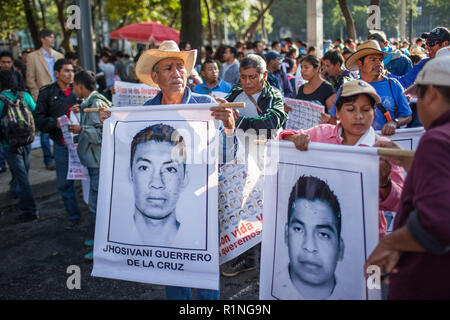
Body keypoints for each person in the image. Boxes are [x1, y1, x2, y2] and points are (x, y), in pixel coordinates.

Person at [131, 40, 236, 300]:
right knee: (172, 267)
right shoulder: (146, 112)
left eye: (180, 67)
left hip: (203, 199)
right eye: (168, 68)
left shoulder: (207, 104)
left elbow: (226, 155)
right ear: (155, 77)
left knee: (204, 269)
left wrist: (230, 129)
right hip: (164, 204)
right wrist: (109, 124)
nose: (176, 73)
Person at [365, 55, 450, 299]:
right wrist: (406, 159)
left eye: (418, 98)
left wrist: (391, 243)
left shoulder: (436, 139)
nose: (416, 107)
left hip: (428, 281)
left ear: (432, 93)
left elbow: (437, 222)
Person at [280, 80, 405, 239]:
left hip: (367, 237)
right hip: (321, 235)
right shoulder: (321, 134)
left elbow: (399, 202)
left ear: (374, 114)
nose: (359, 116)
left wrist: (384, 182)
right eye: (351, 109)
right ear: (337, 112)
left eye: (366, 110)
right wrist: (292, 138)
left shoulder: (383, 149)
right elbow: (280, 140)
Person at [273, 175, 344, 300]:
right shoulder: (270, 285)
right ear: (286, 234)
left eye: (323, 234)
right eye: (298, 229)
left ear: (340, 248)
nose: (309, 247)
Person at [326, 40, 412, 136]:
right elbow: (334, 118)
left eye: (380, 60)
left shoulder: (393, 85)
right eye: (373, 59)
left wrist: (395, 122)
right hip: (357, 146)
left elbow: (407, 116)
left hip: (387, 144)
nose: (378, 64)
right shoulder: (347, 88)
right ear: (360, 64)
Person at [69, 70, 112, 259]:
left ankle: (100, 247)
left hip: (97, 162)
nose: (73, 90)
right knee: (96, 202)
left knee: (97, 205)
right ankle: (97, 240)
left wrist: (82, 129)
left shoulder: (96, 104)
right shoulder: (91, 103)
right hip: (95, 160)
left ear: (80, 85)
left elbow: (102, 135)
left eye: (74, 86)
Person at [33, 58, 81, 224]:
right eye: (66, 71)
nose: (70, 74)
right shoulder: (47, 93)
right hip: (62, 146)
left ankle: (96, 217)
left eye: (72, 71)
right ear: (56, 73)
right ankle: (73, 217)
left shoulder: (79, 90)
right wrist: (57, 124)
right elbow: (38, 120)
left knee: (91, 181)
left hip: (83, 144)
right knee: (65, 184)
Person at [128, 123, 190, 247]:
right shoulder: (116, 234)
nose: (156, 184)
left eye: (170, 169)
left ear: (184, 178)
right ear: (130, 174)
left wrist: (228, 129)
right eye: (144, 168)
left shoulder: (195, 239)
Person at [0, 70, 39, 222]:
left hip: (8, 143)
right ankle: (17, 192)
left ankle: (30, 210)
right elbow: (36, 113)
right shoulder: (25, 96)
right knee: (22, 172)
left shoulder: (1, 100)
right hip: (27, 141)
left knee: (22, 176)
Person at [225, 54, 287, 139]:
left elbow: (271, 124)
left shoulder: (272, 96)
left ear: (264, 75)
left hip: (260, 150)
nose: (247, 82)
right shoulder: (236, 91)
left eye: (252, 77)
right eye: (243, 77)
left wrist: (239, 122)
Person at [26, 29, 63, 171]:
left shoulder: (59, 55)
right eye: (50, 37)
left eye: (53, 37)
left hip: (58, 96)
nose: (52, 39)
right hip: (42, 97)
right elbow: (30, 79)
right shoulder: (32, 56)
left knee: (61, 126)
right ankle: (48, 159)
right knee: (45, 129)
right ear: (42, 39)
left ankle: (61, 155)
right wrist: (37, 98)